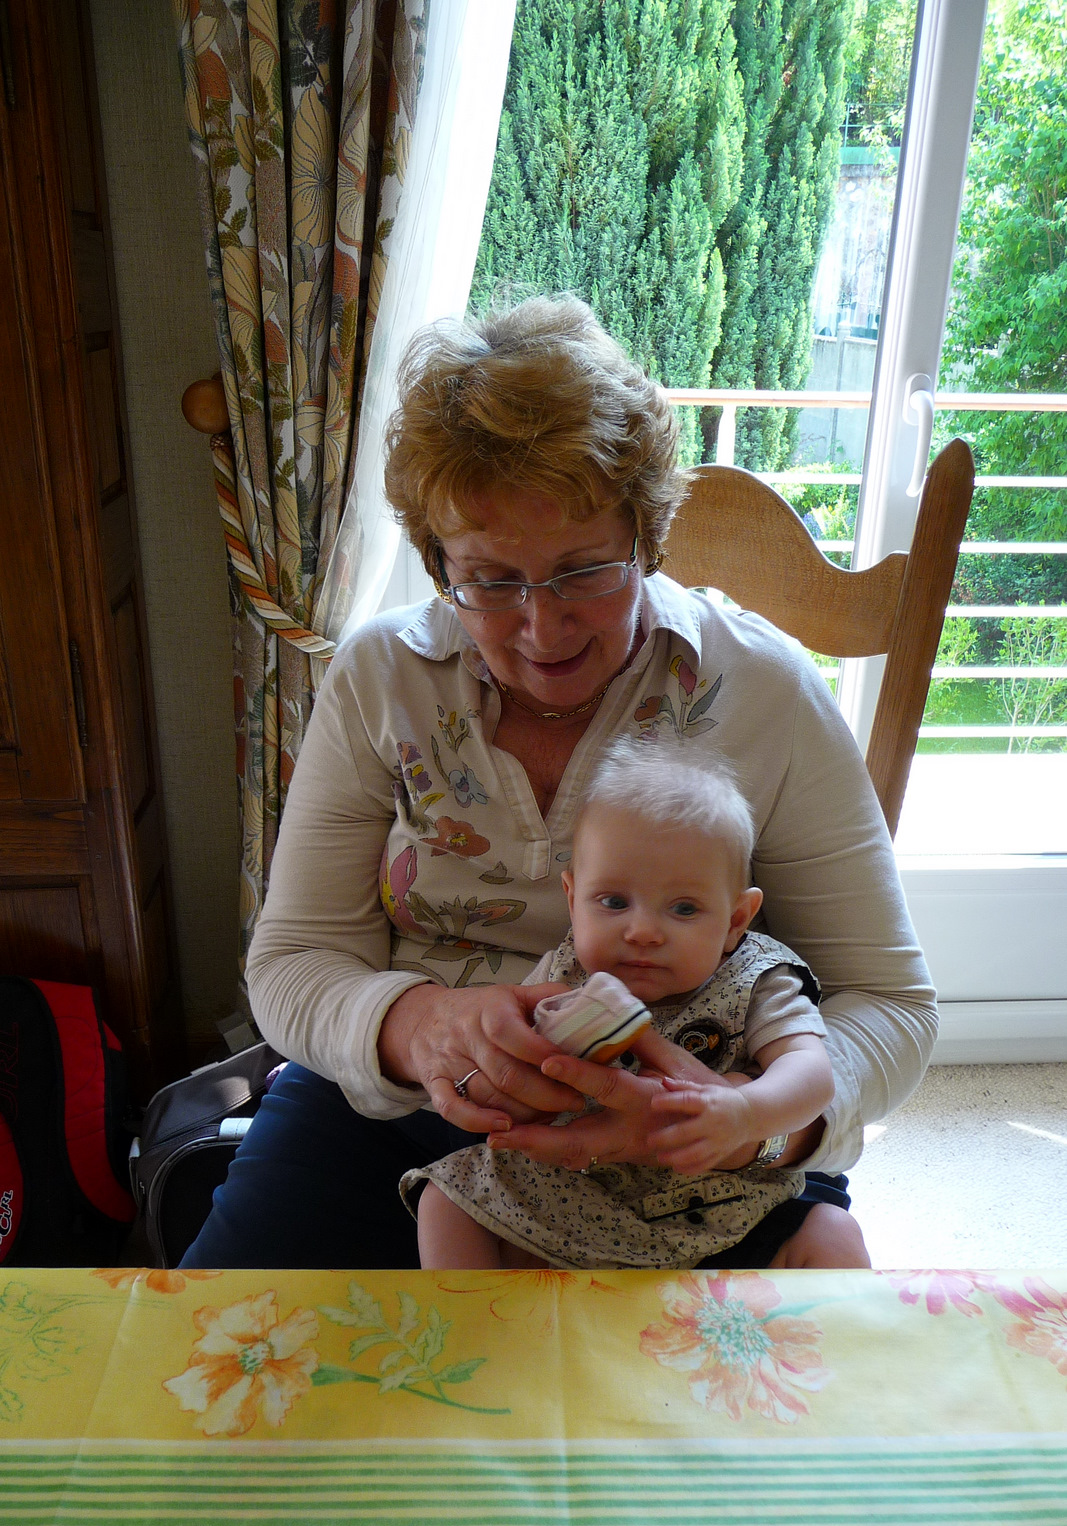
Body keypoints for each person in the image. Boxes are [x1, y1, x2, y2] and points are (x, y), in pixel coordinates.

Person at [181, 293, 936, 1270]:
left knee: (766, 1359)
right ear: (436, 564)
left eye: (584, 571)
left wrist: (751, 1123)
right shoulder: (382, 678)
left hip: (696, 1125)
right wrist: (420, 1028)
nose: (541, 628)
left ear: (647, 539)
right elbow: (293, 961)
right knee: (221, 1343)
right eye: (491, 580)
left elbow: (889, 1002)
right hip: (410, 1109)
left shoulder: (764, 692)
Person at [406, 741, 870, 1270]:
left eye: (684, 908)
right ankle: (485, 1324)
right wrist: (510, 1073)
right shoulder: (560, 977)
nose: (643, 931)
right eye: (614, 902)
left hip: (722, 1202)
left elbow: (811, 1074)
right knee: (443, 1201)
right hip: (576, 1195)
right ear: (572, 899)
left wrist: (744, 1115)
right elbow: (512, 1064)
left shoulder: (759, 978)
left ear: (736, 920)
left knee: (833, 1230)